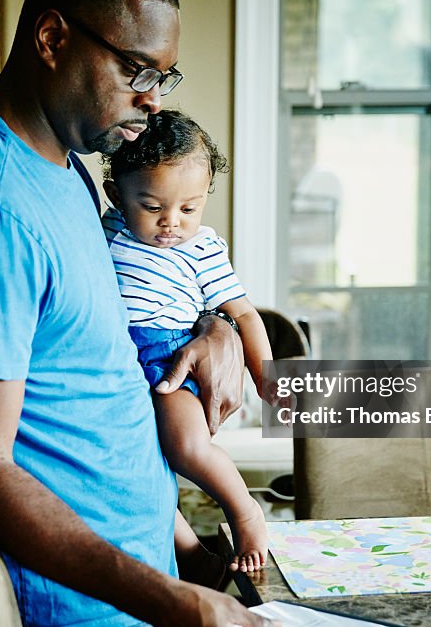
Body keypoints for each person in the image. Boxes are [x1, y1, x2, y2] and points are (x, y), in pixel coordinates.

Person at [0, 0, 272, 625]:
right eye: (135, 70)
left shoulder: (64, 168)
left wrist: (212, 322)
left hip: (146, 575)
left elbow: (105, 343)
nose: (153, 101)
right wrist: (172, 599)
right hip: (80, 608)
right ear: (52, 38)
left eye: (164, 76)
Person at [101, 109, 277, 574]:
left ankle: (245, 512)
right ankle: (194, 558)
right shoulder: (107, 229)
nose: (171, 223)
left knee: (187, 448)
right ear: (116, 195)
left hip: (170, 359)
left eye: (188, 208)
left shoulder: (202, 248)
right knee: (138, 475)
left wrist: (267, 377)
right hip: (120, 363)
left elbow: (242, 312)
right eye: (153, 207)